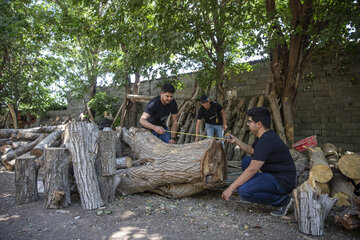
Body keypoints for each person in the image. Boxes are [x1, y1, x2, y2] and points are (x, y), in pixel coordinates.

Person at [221, 107, 296, 217]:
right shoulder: (264, 136)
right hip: (274, 174)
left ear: (259, 124)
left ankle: (284, 201)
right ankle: (254, 188)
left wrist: (230, 188)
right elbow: (252, 150)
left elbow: (253, 169)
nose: (248, 124)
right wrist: (235, 140)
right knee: (247, 160)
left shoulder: (266, 140)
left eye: (250, 121)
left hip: (282, 181)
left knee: (244, 191)